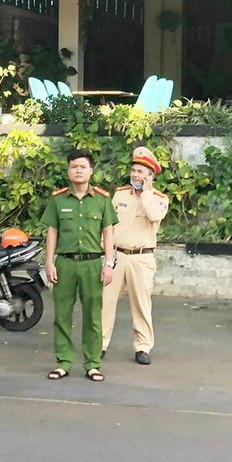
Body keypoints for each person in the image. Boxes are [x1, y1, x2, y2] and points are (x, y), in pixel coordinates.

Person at [42, 150, 117, 382]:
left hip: (92, 265)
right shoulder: (58, 199)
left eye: (83, 167)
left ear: (91, 171)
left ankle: (93, 364)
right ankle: (63, 362)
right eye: (74, 166)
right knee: (62, 315)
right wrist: (49, 262)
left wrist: (109, 264)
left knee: (93, 316)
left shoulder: (102, 199)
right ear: (68, 170)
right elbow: (52, 232)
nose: (78, 171)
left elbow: (108, 234)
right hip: (65, 263)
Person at [101, 147, 169, 365]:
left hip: (142, 257)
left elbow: (155, 215)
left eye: (141, 172)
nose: (135, 175)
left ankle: (143, 347)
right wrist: (107, 254)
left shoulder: (159, 198)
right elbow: (108, 226)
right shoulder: (120, 194)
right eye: (134, 170)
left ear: (150, 176)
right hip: (117, 255)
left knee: (141, 304)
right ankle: (100, 344)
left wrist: (146, 193)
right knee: (105, 302)